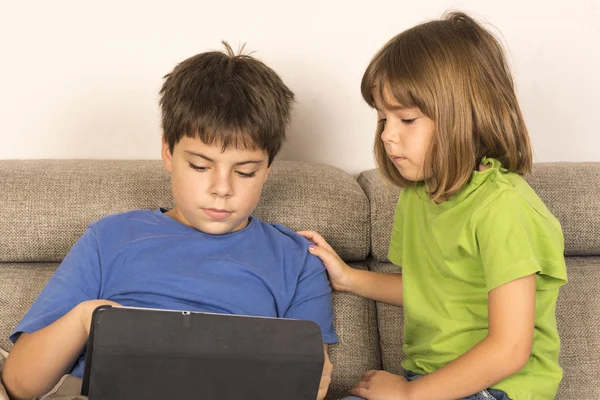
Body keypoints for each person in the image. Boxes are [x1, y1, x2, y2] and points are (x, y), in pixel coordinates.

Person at [2, 42, 337, 400]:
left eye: (245, 171)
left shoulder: (297, 258)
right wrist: (89, 317)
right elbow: (21, 383)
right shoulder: (110, 238)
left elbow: (309, 380)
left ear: (268, 168)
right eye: (199, 166)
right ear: (167, 152)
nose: (221, 189)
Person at [300, 12, 567, 400]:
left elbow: (509, 349)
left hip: (500, 390)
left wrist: (410, 395)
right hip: (429, 381)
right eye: (381, 119)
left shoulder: (502, 208)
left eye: (407, 119)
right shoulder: (417, 197)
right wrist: (348, 278)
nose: (389, 136)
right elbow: (427, 288)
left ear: (465, 116)